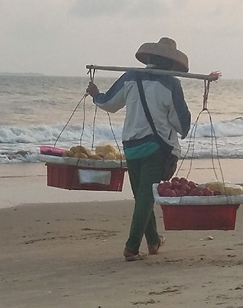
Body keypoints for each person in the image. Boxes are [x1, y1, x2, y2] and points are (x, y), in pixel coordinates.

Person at [85, 37, 220, 261]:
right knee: (146, 198)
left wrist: (95, 94)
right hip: (156, 148)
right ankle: (131, 247)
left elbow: (109, 103)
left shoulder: (130, 77)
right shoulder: (171, 85)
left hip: (130, 146)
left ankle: (154, 241)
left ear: (149, 57)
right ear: (171, 63)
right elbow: (181, 124)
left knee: (142, 197)